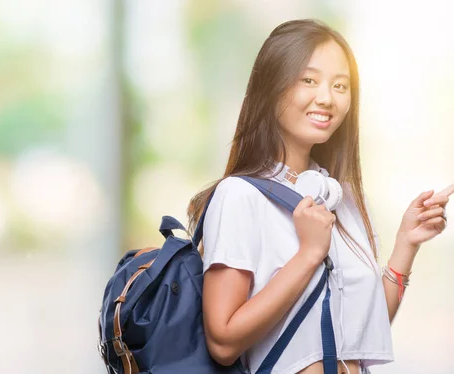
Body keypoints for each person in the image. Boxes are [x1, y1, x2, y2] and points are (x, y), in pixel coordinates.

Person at [187, 19, 452, 374]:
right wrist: (309, 254)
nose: (327, 97)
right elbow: (223, 341)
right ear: (272, 86)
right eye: (308, 80)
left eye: (340, 85)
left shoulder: (340, 198)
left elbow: (362, 332)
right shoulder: (239, 196)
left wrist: (407, 243)